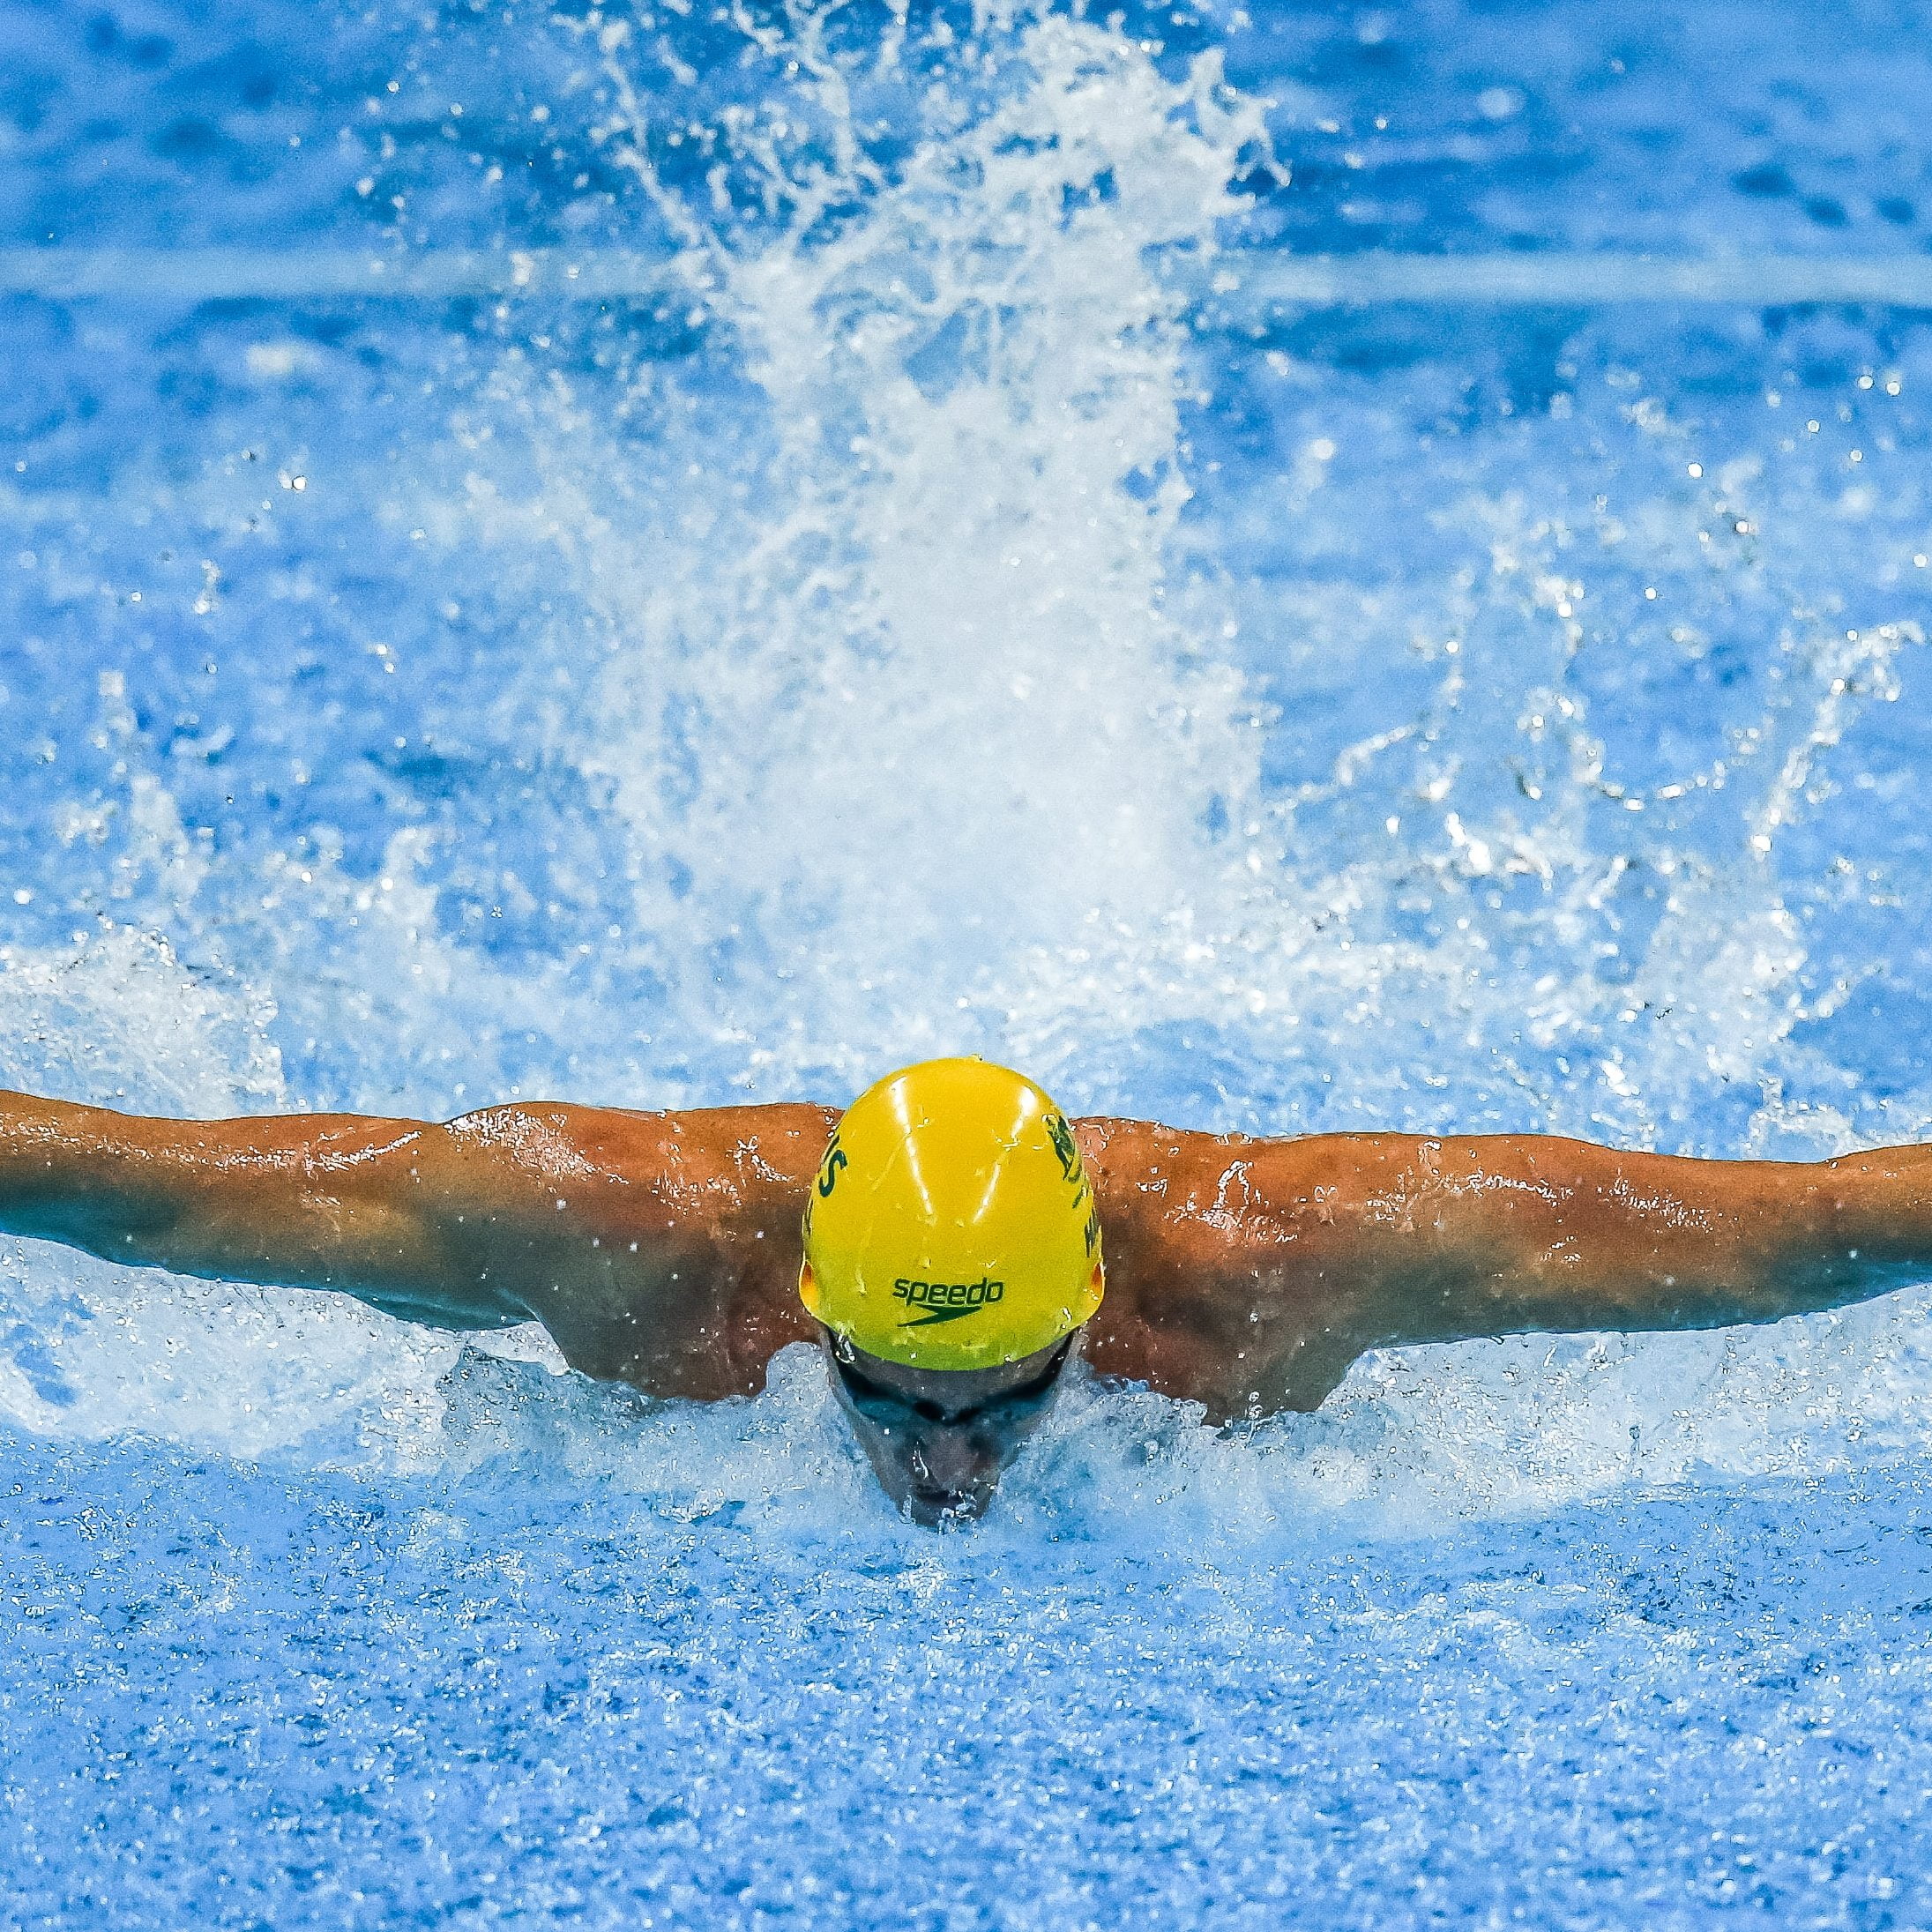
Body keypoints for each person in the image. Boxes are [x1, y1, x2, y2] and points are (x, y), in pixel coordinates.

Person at [1, 1056, 1927, 1525]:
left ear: (1092, 1302)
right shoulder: (613, 1234)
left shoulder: (1280, 1259)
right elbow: (135, 1191)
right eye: (882, 1392)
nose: (946, 1464)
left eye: (1007, 1397)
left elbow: (1785, 1234)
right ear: (806, 1301)